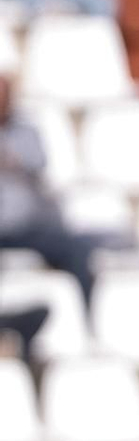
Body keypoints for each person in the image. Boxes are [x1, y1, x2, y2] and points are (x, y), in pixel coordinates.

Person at [0, 76, 97, 308]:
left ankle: (85, 319)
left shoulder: (26, 131)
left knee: (78, 249)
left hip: (28, 229)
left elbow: (37, 164)